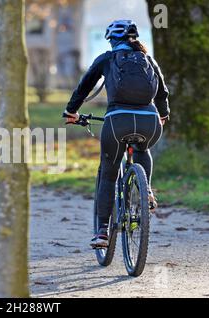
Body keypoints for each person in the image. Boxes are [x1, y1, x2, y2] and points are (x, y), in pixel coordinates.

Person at [63, 20, 170, 248]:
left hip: (117, 122)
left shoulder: (106, 59)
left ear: (112, 40)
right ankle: (146, 190)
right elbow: (162, 93)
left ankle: (102, 232)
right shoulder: (148, 60)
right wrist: (162, 115)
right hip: (150, 123)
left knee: (108, 174)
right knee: (144, 147)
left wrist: (71, 111)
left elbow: (84, 87)